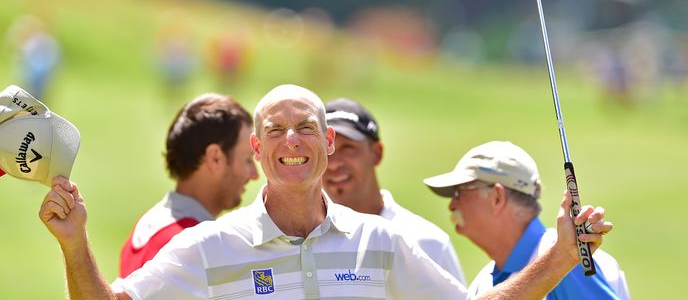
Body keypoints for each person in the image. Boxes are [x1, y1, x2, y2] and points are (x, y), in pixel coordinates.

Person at [40, 84, 613, 300]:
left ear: (329, 146)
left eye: (307, 126)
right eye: (274, 130)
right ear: (257, 154)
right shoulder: (211, 247)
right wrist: (73, 245)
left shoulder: (382, 246)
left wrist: (561, 254)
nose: (293, 139)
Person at [424, 140, 630, 299]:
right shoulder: (483, 282)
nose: (452, 204)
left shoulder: (567, 262)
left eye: (460, 192)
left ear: (497, 198)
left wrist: (561, 257)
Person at [323, 97, 465, 283]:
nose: (334, 163)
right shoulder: (302, 241)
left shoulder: (426, 242)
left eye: (348, 148)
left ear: (377, 153)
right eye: (326, 149)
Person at [119, 93, 259, 277]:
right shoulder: (194, 245)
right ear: (215, 157)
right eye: (248, 159)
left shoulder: (149, 224)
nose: (255, 174)